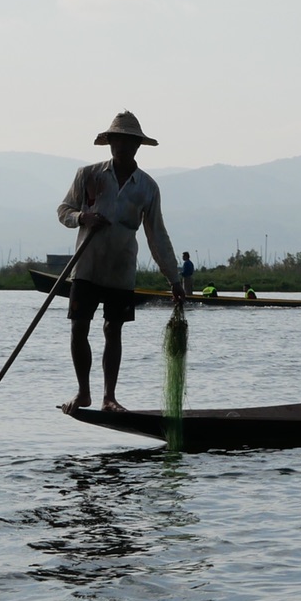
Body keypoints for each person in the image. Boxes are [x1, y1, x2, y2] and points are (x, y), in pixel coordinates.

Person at [57, 111, 183, 413]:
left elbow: (157, 236)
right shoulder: (89, 175)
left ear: (137, 145)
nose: (122, 147)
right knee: (79, 327)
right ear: (109, 142)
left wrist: (174, 279)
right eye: (117, 140)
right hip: (86, 266)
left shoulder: (147, 187)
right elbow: (63, 210)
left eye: (128, 142)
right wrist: (82, 217)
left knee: (113, 330)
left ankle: (108, 398)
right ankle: (84, 392)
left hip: (121, 270)